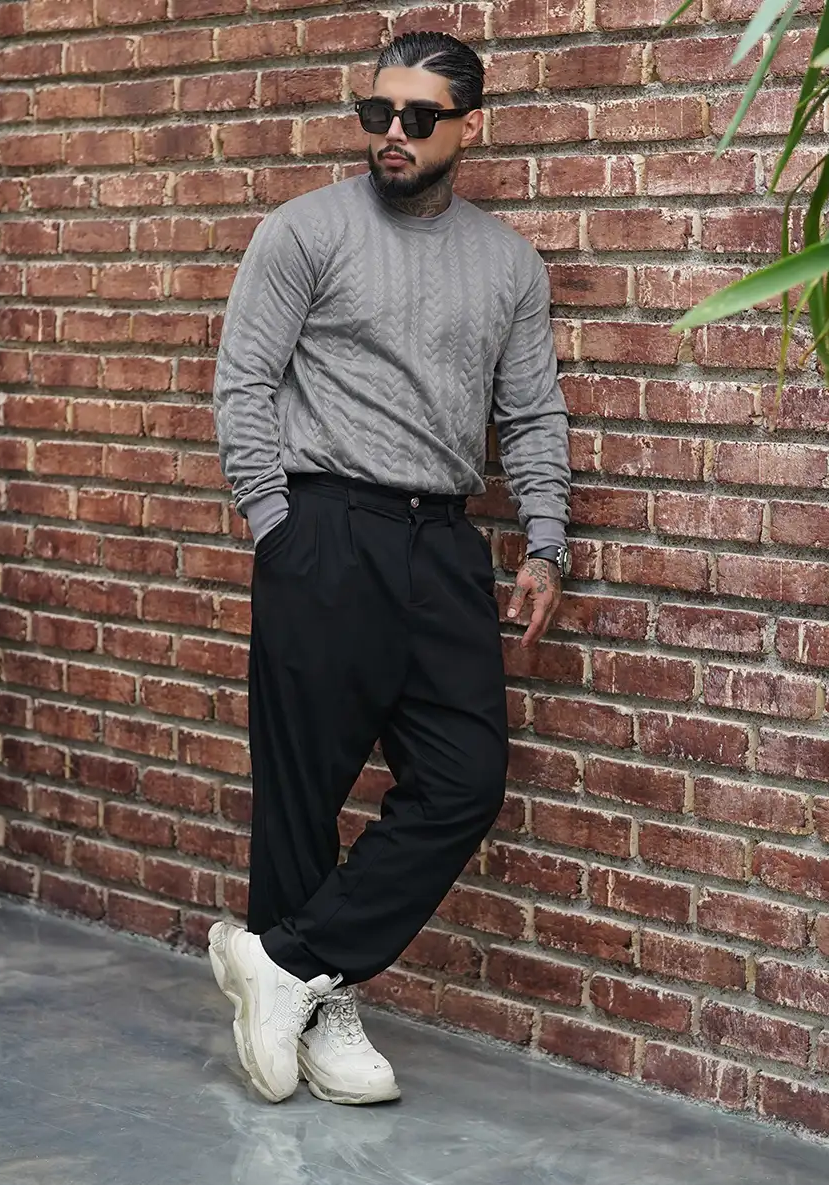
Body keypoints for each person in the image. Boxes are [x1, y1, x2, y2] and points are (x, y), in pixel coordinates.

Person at [207, 29, 571, 1106]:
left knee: (465, 779)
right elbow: (244, 384)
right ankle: (322, 1006)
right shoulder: (304, 231)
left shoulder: (508, 263)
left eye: (418, 117)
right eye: (378, 114)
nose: (393, 134)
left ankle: (286, 962)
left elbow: (530, 412)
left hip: (444, 544)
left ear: (469, 127)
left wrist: (544, 538)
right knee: (303, 792)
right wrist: (277, 526)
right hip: (324, 528)